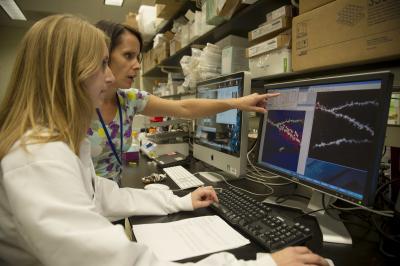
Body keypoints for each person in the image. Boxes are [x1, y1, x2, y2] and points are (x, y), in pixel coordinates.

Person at [0, 14, 329, 266]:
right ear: (66, 73)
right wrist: (264, 263)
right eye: (104, 63)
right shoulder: (40, 159)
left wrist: (179, 201)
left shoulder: (59, 144)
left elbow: (102, 196)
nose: (113, 75)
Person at [88, 20, 281, 183]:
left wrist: (237, 103)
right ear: (103, 55)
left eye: (137, 57)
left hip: (112, 198)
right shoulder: (77, 105)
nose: (137, 65)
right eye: (128, 55)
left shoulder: (129, 99)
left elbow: (184, 108)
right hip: (81, 209)